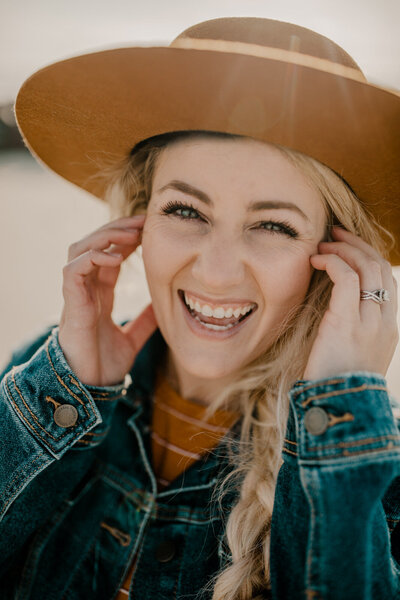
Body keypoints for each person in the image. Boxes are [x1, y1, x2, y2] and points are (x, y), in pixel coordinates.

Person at [2, 16, 400, 600]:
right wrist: (70, 387)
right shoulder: (47, 379)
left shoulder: (369, 464)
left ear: (338, 258)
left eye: (273, 225)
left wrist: (340, 400)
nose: (215, 271)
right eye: (185, 212)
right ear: (137, 222)